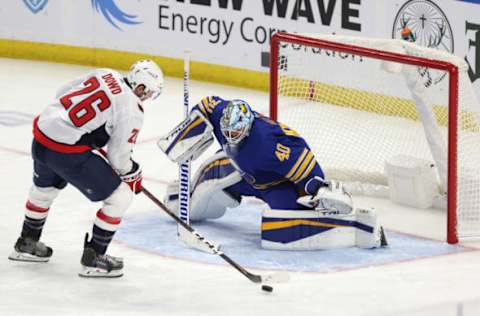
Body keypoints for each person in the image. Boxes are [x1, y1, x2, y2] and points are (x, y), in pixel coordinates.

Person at [160, 96, 388, 250]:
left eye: (237, 132)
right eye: (227, 132)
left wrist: (318, 188)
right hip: (239, 172)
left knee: (277, 230)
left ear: (248, 125)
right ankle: (180, 194)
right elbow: (207, 104)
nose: (230, 137)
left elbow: (303, 163)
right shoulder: (223, 116)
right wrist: (191, 128)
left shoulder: (269, 143)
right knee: (191, 208)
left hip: (275, 185)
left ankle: (358, 226)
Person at [8, 60, 164, 277]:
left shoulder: (106, 72)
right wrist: (132, 172)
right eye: (149, 93)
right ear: (142, 88)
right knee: (120, 197)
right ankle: (95, 258)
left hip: (42, 136)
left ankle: (27, 243)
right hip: (65, 151)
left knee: (44, 190)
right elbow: (118, 157)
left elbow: (62, 92)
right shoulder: (132, 108)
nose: (146, 98)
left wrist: (78, 128)